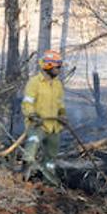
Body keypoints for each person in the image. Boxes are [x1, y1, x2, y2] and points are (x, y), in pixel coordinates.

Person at [21, 50, 67, 184]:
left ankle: (49, 182)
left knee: (51, 157)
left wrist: (63, 115)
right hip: (37, 124)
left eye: (60, 67)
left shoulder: (58, 84)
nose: (59, 70)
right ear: (48, 66)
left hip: (54, 127)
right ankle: (22, 179)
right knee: (30, 150)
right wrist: (32, 115)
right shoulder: (34, 82)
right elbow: (27, 103)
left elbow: (60, 104)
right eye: (57, 67)